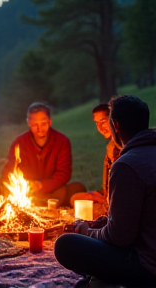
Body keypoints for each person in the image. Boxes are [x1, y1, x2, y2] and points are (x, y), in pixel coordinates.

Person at [54, 95, 156, 287]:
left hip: (146, 266)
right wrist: (107, 222)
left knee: (65, 244)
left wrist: (87, 231)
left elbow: (120, 238)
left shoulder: (127, 164)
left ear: (115, 125)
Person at [1, 101, 86, 207]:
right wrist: (24, 186)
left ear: (50, 122)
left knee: (78, 188)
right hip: (28, 193)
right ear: (28, 123)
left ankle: (44, 203)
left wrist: (41, 185)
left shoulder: (62, 141)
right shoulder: (19, 143)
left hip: (53, 190)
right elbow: (9, 172)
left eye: (43, 123)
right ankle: (41, 203)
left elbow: (63, 174)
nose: (39, 129)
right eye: (35, 125)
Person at [70, 103, 121, 215]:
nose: (100, 128)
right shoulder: (110, 148)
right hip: (107, 195)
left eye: (103, 122)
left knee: (84, 208)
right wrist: (96, 195)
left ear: (114, 120)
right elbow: (107, 185)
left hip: (117, 202)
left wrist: (105, 200)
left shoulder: (122, 148)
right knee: (76, 198)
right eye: (97, 123)